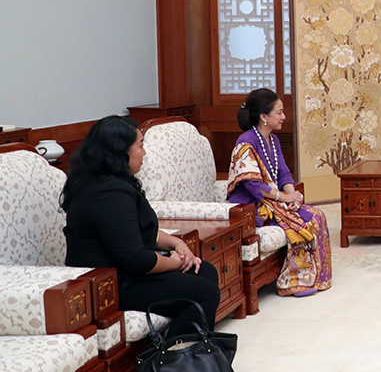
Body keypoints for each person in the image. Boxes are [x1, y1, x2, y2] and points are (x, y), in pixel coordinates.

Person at [62, 116, 219, 337]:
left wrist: (176, 242)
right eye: (141, 145)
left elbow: (142, 231)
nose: (144, 152)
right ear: (120, 151)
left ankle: (193, 349)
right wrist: (175, 263)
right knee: (205, 292)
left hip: (127, 273)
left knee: (204, 271)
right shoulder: (108, 193)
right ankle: (174, 361)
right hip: (110, 284)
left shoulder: (114, 181)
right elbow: (134, 258)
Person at [228, 88, 332, 297]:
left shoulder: (273, 141)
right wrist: (284, 198)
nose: (284, 117)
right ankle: (293, 282)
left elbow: (283, 174)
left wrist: (292, 196)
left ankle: (312, 277)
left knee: (316, 215)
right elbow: (253, 185)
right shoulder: (246, 142)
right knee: (302, 223)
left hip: (274, 202)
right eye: (279, 112)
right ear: (263, 116)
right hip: (253, 207)